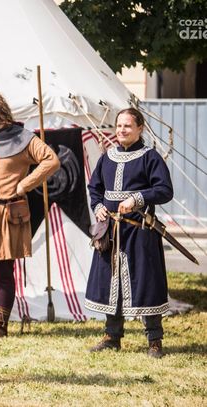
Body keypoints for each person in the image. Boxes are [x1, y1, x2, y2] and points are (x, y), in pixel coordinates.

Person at [0, 90, 60, 339]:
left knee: (3, 271)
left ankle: (0, 327)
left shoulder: (22, 137)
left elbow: (51, 160)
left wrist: (24, 185)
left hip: (5, 211)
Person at [86, 107, 173, 358]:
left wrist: (136, 199)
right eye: (119, 125)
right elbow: (95, 188)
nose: (122, 130)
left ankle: (154, 340)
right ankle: (112, 337)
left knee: (146, 282)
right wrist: (98, 207)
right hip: (111, 232)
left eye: (127, 126)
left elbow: (164, 190)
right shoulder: (107, 157)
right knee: (111, 281)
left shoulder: (150, 158)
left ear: (139, 129)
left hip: (140, 233)